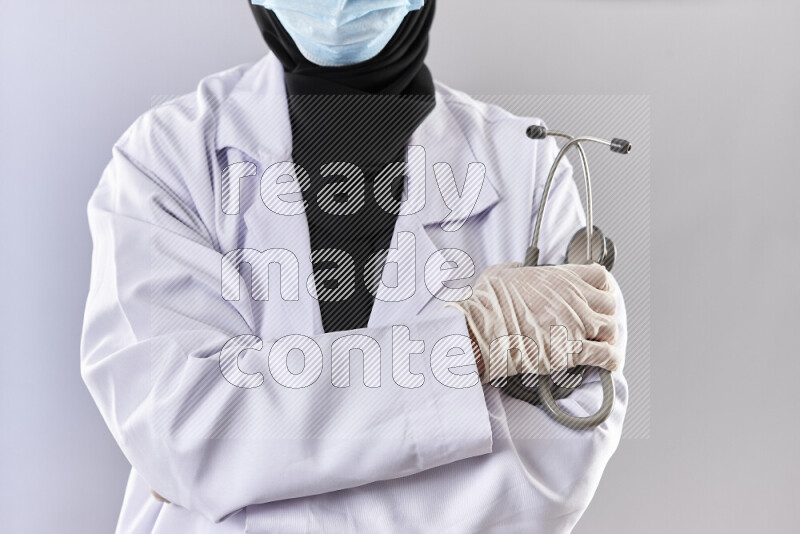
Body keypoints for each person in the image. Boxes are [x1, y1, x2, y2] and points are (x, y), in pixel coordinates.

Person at [80, 1, 628, 532]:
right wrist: (463, 348)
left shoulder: (529, 163)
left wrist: (249, 483)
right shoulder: (166, 156)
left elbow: (555, 470)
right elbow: (185, 436)